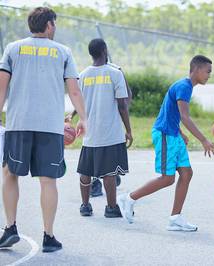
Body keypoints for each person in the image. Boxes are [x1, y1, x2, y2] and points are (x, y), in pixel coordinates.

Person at [0, 7, 87, 252]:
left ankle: (10, 228)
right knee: (48, 181)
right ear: (49, 25)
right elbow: (74, 90)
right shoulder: (63, 51)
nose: (55, 28)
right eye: (54, 24)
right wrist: (84, 119)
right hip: (50, 126)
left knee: (9, 173)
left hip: (20, 123)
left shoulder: (13, 48)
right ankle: (49, 236)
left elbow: (1, 88)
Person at [117, 55, 214, 231]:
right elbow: (185, 116)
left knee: (186, 173)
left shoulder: (185, 86)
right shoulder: (184, 87)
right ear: (196, 69)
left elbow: (171, 112)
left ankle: (175, 218)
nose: (209, 75)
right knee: (167, 178)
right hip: (164, 134)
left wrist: (180, 133)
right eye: (208, 71)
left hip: (173, 134)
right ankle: (129, 198)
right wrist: (204, 140)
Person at [69, 38, 132, 218]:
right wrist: (128, 129)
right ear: (105, 50)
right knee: (109, 172)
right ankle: (111, 208)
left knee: (85, 171)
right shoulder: (115, 73)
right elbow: (122, 105)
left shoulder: (83, 75)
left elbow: (80, 100)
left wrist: (72, 116)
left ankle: (85, 206)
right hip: (110, 132)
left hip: (90, 133)